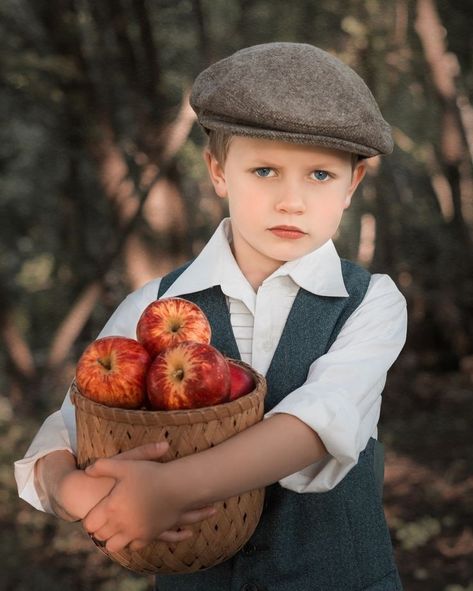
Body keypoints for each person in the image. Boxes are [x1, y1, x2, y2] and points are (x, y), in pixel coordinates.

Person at [15, 42, 407, 590]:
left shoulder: (371, 301)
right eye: (265, 170)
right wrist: (82, 493)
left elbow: (320, 423)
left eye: (319, 175)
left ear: (352, 186)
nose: (291, 200)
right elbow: (70, 427)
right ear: (219, 172)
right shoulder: (157, 302)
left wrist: (169, 490)